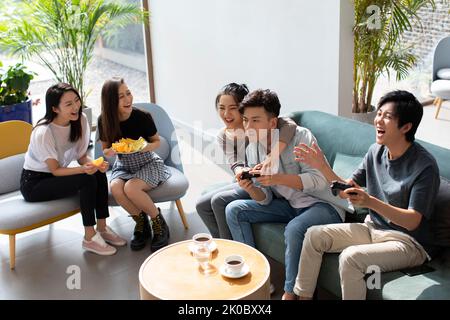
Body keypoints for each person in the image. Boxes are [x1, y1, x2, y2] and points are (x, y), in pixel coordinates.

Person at [292, 90, 440, 300]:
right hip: (373, 229)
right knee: (315, 235)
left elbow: (413, 221)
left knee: (351, 258)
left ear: (406, 127)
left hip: (409, 243)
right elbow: (345, 190)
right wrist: (321, 166)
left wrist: (370, 202)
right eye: (379, 113)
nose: (378, 120)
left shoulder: (424, 166)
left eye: (387, 116)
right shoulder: (376, 151)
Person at [224, 89, 350, 299]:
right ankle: (255, 280)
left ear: (273, 123)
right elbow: (266, 199)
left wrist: (277, 178)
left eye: (255, 120)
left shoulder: (301, 137)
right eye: (245, 120)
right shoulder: (252, 150)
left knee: (294, 229)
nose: (248, 127)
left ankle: (289, 292)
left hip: (323, 205)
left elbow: (320, 181)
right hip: (290, 205)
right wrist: (251, 188)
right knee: (234, 210)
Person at [20, 83, 126, 256]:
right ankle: (89, 237)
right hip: (34, 183)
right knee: (86, 178)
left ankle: (102, 227)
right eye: (68, 104)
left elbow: (81, 155)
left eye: (76, 100)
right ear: (55, 108)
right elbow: (55, 170)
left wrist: (94, 164)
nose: (76, 106)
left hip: (55, 175)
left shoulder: (81, 119)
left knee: (98, 172)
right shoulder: (43, 132)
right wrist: (84, 170)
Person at [196, 83, 297, 239]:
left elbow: (290, 124)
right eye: (221, 108)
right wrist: (240, 171)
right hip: (246, 179)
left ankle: (229, 248)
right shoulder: (223, 135)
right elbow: (234, 162)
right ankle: (221, 243)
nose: (226, 114)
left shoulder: (260, 125)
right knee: (202, 205)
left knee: (218, 201)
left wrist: (272, 156)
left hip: (267, 183)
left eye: (233, 108)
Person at [97, 77, 171, 252]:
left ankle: (158, 223)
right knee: (115, 188)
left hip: (148, 162)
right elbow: (106, 149)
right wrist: (111, 151)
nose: (128, 99)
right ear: (110, 102)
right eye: (121, 96)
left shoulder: (142, 116)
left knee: (131, 188)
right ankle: (141, 223)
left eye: (128, 93)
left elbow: (157, 142)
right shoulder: (104, 120)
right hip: (123, 164)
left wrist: (145, 146)